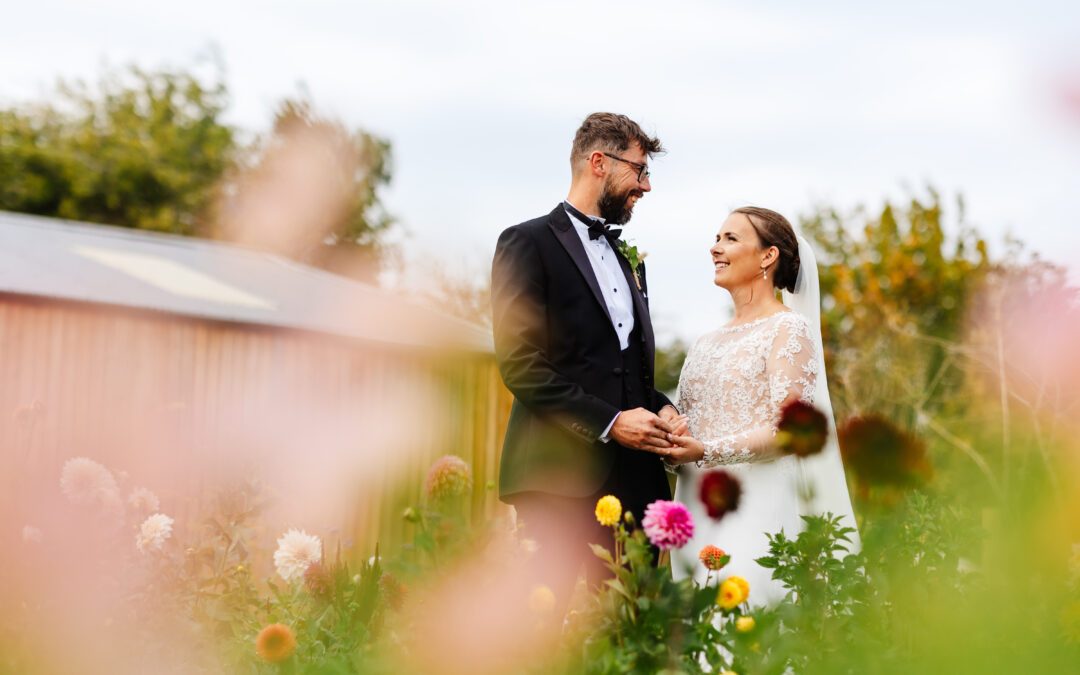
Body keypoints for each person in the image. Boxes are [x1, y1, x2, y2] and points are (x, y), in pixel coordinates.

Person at [491, 113, 679, 612]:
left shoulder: (629, 259)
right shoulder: (525, 243)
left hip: (635, 481)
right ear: (599, 162)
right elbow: (521, 364)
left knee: (633, 632)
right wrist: (611, 422)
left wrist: (658, 406)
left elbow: (621, 365)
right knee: (538, 632)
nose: (646, 185)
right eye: (639, 170)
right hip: (556, 479)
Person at [664, 206, 859, 607]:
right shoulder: (704, 342)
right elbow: (686, 426)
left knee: (742, 628)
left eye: (731, 239)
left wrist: (708, 452)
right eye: (717, 239)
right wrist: (670, 434)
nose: (716, 248)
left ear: (768, 256)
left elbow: (790, 433)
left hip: (757, 507)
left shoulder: (787, 330)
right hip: (695, 511)